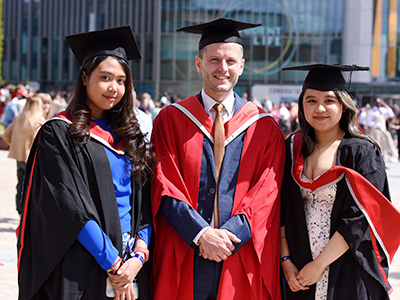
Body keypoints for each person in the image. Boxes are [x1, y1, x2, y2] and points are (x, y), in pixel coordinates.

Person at [150, 18, 285, 300]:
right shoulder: (170, 120)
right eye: (214, 60)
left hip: (239, 253)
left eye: (230, 61)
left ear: (242, 66)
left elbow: (266, 192)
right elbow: (164, 183)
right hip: (186, 249)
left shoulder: (264, 126)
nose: (222, 68)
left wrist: (227, 238)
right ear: (199, 64)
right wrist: (201, 235)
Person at [17, 26, 155, 300]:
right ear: (84, 77)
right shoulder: (59, 133)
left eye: (121, 80)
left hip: (131, 266)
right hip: (84, 266)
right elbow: (71, 209)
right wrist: (114, 265)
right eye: (105, 77)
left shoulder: (130, 136)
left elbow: (145, 204)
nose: (113, 88)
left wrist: (139, 255)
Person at [280, 64, 400, 300]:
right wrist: (285, 260)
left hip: (346, 266)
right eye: (311, 100)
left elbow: (360, 217)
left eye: (329, 100)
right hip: (299, 267)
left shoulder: (363, 152)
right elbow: (281, 209)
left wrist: (319, 266)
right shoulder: (292, 148)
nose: (320, 108)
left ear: (344, 106)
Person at [3, 96, 45, 215]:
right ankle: (27, 212)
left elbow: (6, 135)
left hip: (19, 157)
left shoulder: (19, 119)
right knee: (32, 187)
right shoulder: (39, 121)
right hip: (33, 158)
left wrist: (15, 145)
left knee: (20, 184)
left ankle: (20, 209)